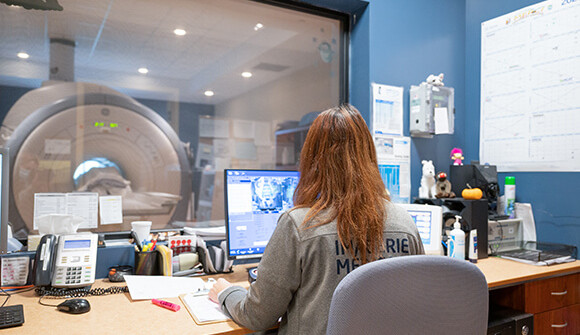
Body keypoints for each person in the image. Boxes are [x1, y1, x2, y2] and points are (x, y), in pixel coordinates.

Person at [209, 104, 424, 334]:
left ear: (313, 159)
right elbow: (421, 304)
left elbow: (257, 315)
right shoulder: (405, 224)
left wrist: (225, 291)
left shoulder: (299, 224)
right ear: (369, 154)